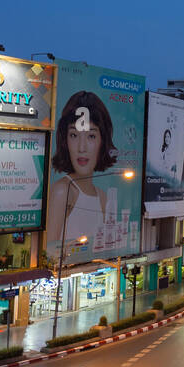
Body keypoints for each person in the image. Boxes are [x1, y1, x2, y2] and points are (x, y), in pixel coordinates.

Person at [47, 90, 117, 250]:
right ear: (65, 139)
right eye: (74, 135)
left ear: (102, 140)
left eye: (91, 136)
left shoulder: (103, 198)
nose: (82, 147)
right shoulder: (63, 191)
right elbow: (49, 252)